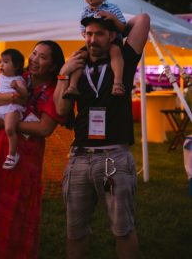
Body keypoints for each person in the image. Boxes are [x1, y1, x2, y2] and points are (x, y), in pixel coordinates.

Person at [53, 13, 150, 259]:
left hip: (113, 156)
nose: (92, 39)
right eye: (88, 34)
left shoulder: (124, 60)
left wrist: (112, 17)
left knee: (123, 229)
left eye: (99, 34)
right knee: (74, 231)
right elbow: (61, 111)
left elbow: (143, 20)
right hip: (79, 157)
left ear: (112, 37)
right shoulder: (76, 66)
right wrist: (63, 74)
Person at [0, 40, 66, 259]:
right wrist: (14, 97)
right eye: (33, 53)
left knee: (14, 211)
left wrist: (6, 123)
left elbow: (44, 127)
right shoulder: (14, 74)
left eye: (42, 57)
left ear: (52, 65)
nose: (34, 59)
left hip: (23, 161)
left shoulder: (53, 89)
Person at [63, 0, 127, 99]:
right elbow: (83, 31)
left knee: (115, 51)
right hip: (95, 44)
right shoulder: (85, 12)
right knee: (79, 56)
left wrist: (113, 18)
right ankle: (73, 86)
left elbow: (123, 29)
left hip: (113, 41)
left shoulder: (112, 8)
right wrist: (88, 35)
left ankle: (118, 83)